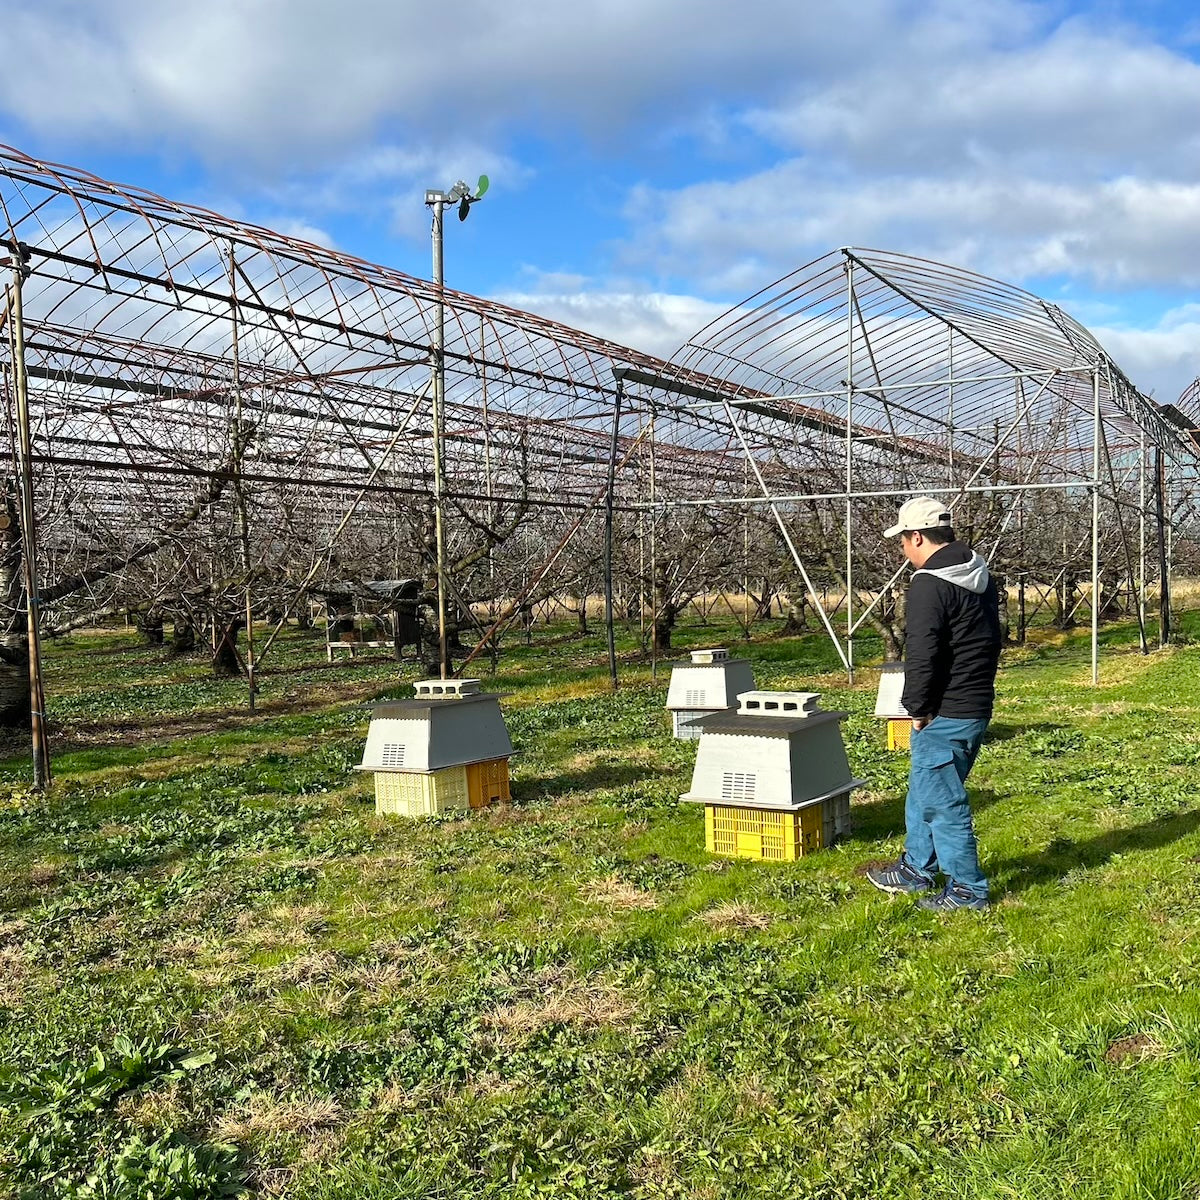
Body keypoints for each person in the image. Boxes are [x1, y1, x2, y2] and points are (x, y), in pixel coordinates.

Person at [866, 497, 1001, 911]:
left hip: (946, 709)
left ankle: (966, 889)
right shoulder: (979, 574)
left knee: (943, 803)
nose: (903, 551)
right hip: (974, 702)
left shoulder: (928, 583)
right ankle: (915, 868)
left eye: (903, 541)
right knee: (926, 791)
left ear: (918, 536)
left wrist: (917, 708)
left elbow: (922, 654)